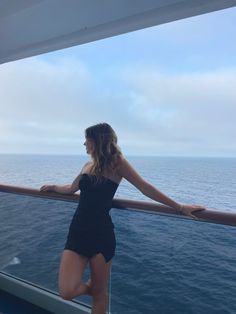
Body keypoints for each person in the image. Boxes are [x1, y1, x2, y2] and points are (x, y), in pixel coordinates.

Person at [40, 123, 205, 314]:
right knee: (67, 291)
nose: (84, 143)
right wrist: (53, 186)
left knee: (100, 294)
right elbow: (71, 188)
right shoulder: (87, 165)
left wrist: (179, 207)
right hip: (77, 232)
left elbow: (144, 187)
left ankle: (96, 290)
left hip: (102, 235)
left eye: (87, 139)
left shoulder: (117, 163)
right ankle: (93, 288)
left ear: (97, 141)